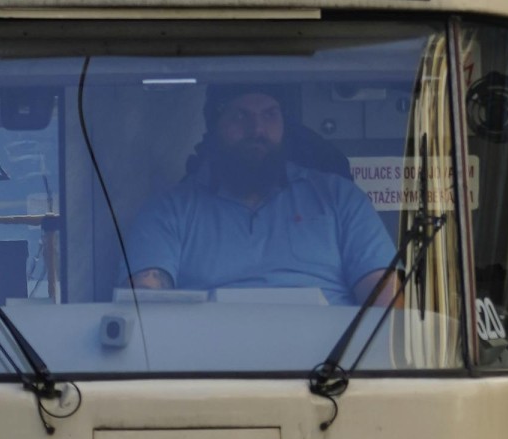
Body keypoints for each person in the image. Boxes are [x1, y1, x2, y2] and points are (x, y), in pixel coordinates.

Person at [128, 85, 396, 306]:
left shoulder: (339, 198)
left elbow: (388, 307)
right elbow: (147, 311)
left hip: (332, 366)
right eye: (241, 116)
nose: (257, 130)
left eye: (270, 115)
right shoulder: (168, 210)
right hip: (206, 364)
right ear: (215, 126)